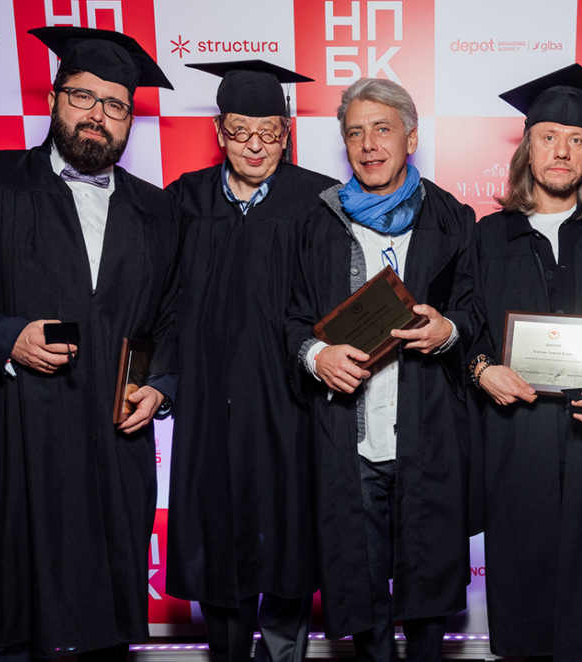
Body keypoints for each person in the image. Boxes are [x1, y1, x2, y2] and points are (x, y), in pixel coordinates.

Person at [0, 26, 179, 662]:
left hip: (113, 443)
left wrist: (160, 385)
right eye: (83, 96)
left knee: (105, 619)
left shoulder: (158, 211)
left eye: (115, 104)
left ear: (129, 119)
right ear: (53, 98)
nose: (97, 115)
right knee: (16, 614)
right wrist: (2, 333)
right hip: (14, 432)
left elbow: (174, 317)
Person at [467, 63, 582, 662]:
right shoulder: (489, 235)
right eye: (549, 137)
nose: (562, 151)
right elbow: (465, 328)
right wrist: (482, 370)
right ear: (528, 146)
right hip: (516, 438)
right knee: (526, 589)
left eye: (577, 140)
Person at [283, 77, 476, 662]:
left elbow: (475, 312)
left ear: (411, 138)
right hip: (350, 437)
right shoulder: (317, 222)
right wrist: (316, 356)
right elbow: (291, 320)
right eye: (355, 133)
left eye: (382, 129)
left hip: (427, 429)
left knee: (428, 584)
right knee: (360, 585)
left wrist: (448, 331)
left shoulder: (453, 218)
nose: (368, 145)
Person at [163, 60, 338, 662]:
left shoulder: (318, 200)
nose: (254, 145)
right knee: (218, 537)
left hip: (288, 403)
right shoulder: (183, 199)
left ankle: (285, 656)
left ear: (287, 134)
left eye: (268, 132)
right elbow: (159, 303)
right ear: (219, 131)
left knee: (288, 536)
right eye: (240, 131)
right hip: (208, 404)